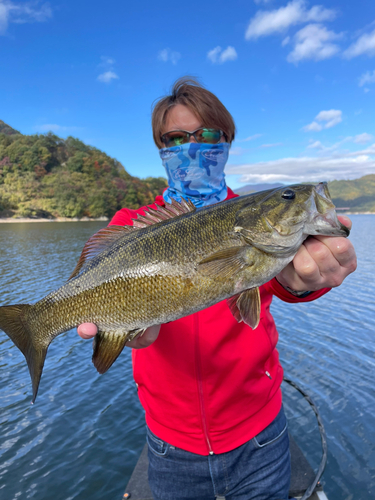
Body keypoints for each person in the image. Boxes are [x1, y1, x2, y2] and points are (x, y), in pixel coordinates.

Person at [77, 78, 357, 500]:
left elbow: (290, 281)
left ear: (226, 141)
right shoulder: (131, 225)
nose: (193, 146)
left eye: (208, 134)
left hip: (260, 433)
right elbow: (107, 297)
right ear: (160, 148)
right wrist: (130, 331)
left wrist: (309, 280)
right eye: (176, 138)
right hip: (171, 444)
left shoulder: (251, 216)